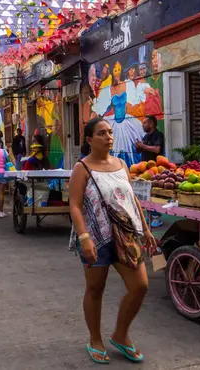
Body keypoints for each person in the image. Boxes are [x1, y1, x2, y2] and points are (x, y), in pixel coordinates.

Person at [68, 117, 156, 364]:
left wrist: (145, 228)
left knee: (140, 286)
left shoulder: (120, 164)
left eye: (109, 132)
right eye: (101, 133)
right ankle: (95, 339)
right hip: (95, 237)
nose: (109, 137)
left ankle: (120, 334)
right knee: (95, 289)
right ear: (89, 140)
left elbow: (132, 199)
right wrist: (84, 237)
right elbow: (74, 205)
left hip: (125, 234)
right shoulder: (82, 168)